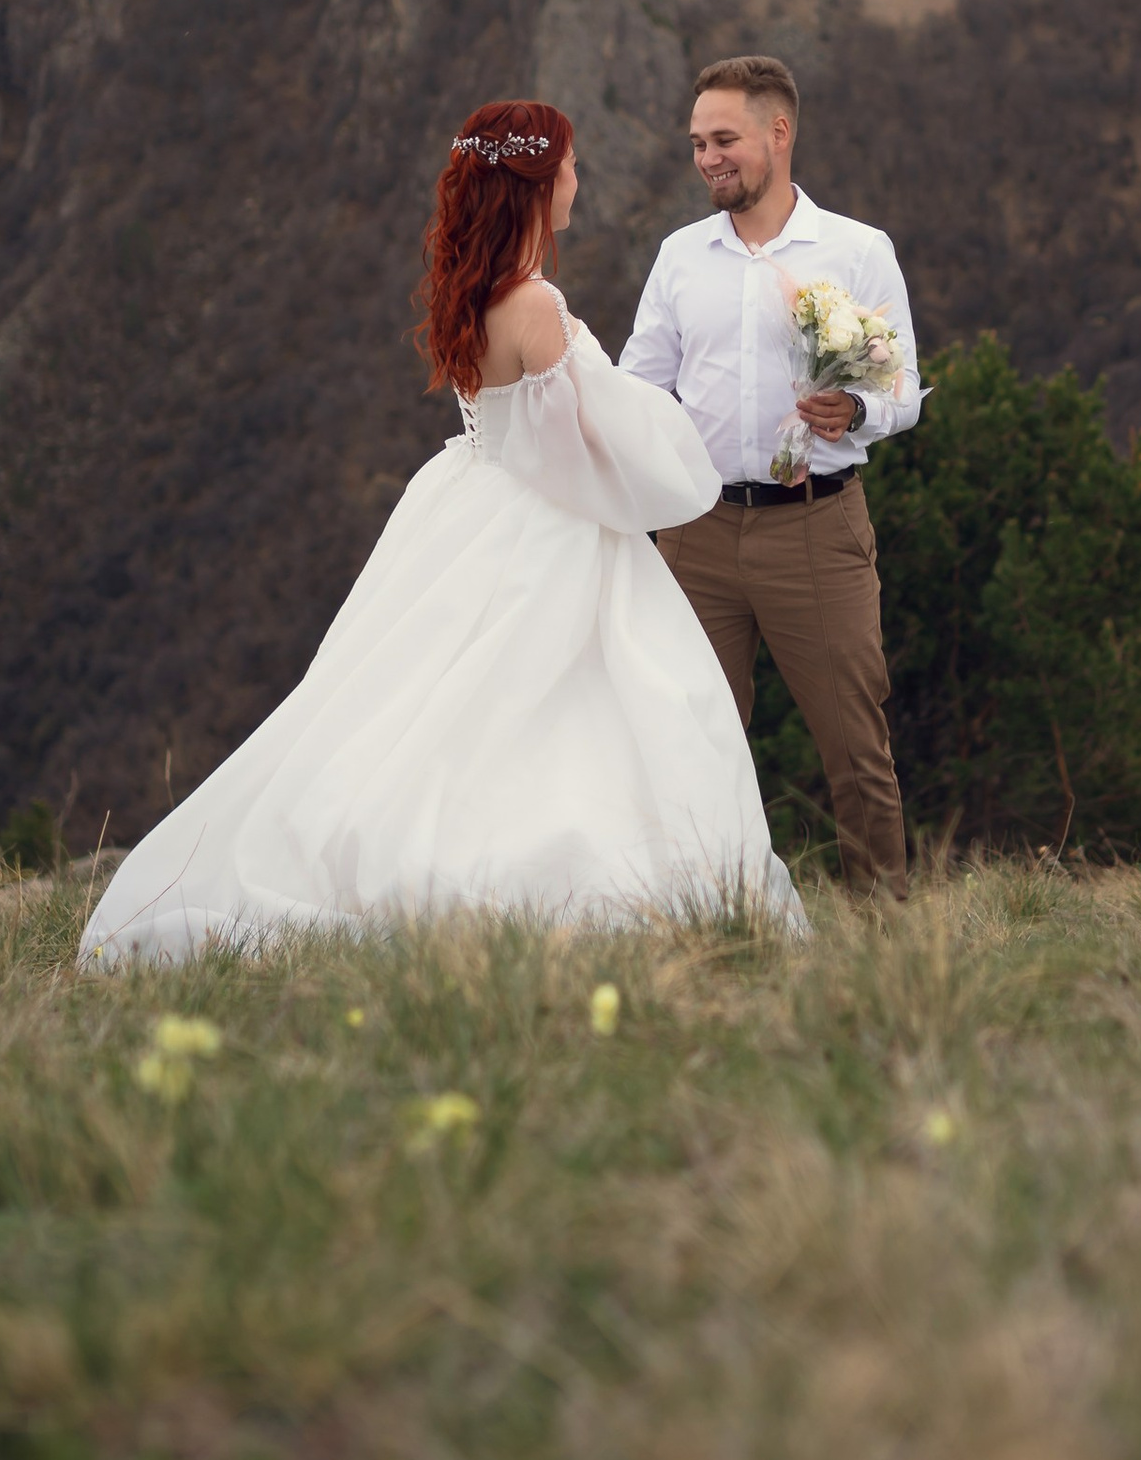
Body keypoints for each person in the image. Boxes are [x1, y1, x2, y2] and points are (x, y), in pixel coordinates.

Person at [79, 99, 803, 962]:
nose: (579, 178)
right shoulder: (535, 303)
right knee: (556, 710)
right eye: (568, 164)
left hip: (470, 505)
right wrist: (714, 443)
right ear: (537, 184)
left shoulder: (479, 289)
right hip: (545, 525)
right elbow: (604, 441)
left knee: (431, 700)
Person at [619, 53, 920, 895]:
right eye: (696, 143)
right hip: (695, 534)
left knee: (855, 747)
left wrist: (856, 413)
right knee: (685, 740)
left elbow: (901, 386)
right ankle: (699, 918)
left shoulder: (858, 251)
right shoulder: (680, 257)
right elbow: (639, 382)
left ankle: (886, 934)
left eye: (724, 139)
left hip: (818, 529)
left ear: (777, 133)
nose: (708, 157)